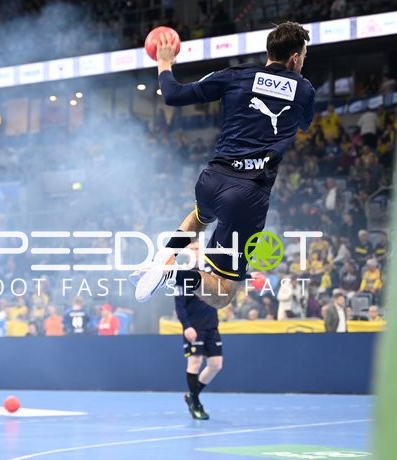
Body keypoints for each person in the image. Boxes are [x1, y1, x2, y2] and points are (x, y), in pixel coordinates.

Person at [133, 22, 315, 309]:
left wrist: (164, 62)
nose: (303, 62)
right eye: (304, 56)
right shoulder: (304, 90)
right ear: (294, 57)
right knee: (223, 292)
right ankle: (174, 273)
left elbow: (173, 94)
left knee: (199, 217)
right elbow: (304, 121)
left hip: (211, 180)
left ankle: (164, 257)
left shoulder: (236, 75)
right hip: (246, 195)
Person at [174, 244, 223, 420]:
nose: (195, 251)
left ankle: (192, 395)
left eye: (197, 248)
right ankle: (195, 403)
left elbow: (229, 281)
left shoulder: (210, 271)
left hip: (212, 325)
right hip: (194, 327)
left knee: (216, 365)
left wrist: (248, 277)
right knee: (194, 364)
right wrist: (187, 326)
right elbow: (179, 305)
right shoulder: (182, 274)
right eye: (192, 249)